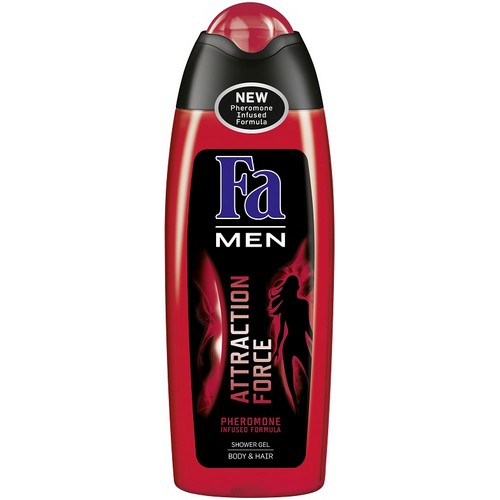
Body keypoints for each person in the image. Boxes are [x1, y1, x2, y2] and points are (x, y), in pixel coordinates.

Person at [270, 275, 313, 412]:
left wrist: (315, 343)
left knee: (310, 376)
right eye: (296, 285)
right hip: (294, 344)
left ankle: (298, 407)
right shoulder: (296, 305)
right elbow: (285, 331)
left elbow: (306, 326)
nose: (298, 286)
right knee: (292, 380)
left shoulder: (299, 305)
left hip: (293, 344)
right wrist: (277, 350)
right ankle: (295, 408)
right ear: (295, 287)